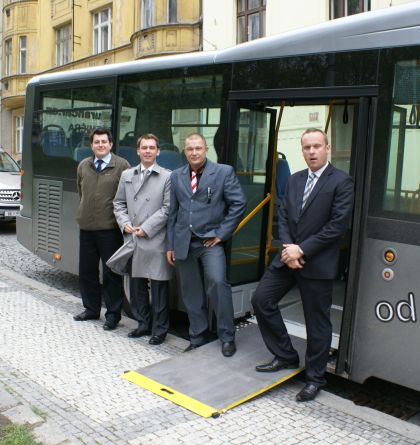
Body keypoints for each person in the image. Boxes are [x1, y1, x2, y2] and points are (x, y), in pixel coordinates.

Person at [252, 128, 354, 402]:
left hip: (317, 264)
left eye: (317, 146)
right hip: (287, 258)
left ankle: (314, 378)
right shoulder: (296, 180)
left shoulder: (341, 182)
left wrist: (302, 249)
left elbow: (337, 227)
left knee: (316, 323)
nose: (311, 151)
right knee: (261, 299)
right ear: (302, 150)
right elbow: (283, 215)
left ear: (327, 148)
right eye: (307, 147)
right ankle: (285, 355)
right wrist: (288, 248)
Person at [166, 133, 246, 357]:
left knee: (218, 284)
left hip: (210, 243)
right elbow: (173, 213)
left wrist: (222, 234)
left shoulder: (223, 172)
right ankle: (197, 337)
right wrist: (170, 245)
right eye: (190, 149)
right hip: (184, 243)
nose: (194, 153)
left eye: (198, 148)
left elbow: (239, 203)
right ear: (184, 150)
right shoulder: (176, 176)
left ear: (206, 149)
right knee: (191, 293)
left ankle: (227, 337)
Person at [113, 134, 171, 345]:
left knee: (158, 289)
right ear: (137, 151)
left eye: (152, 148)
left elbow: (167, 208)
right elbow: (118, 203)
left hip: (155, 238)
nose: (148, 151)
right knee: (136, 287)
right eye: (144, 147)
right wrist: (125, 223)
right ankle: (143, 324)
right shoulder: (127, 174)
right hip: (132, 238)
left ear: (158, 152)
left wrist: (145, 228)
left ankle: (160, 330)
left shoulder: (167, 177)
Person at [74, 128, 130, 330]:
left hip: (110, 229)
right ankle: (90, 309)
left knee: (111, 274)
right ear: (91, 145)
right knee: (87, 271)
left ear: (111, 144)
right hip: (87, 228)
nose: (100, 145)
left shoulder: (122, 165)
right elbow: (81, 191)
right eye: (96, 142)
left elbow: (126, 197)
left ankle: (113, 315)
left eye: (104, 142)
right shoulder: (83, 165)